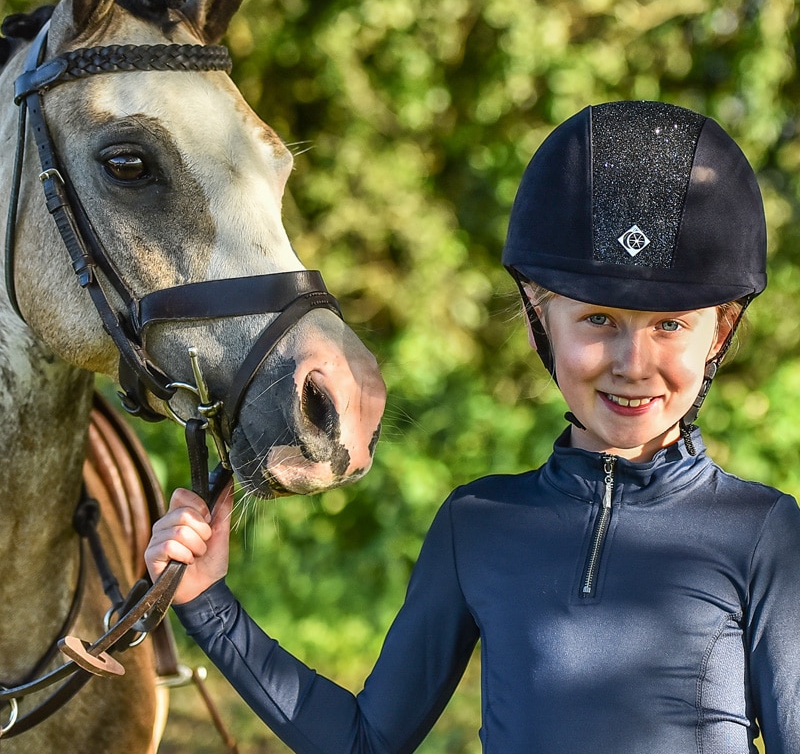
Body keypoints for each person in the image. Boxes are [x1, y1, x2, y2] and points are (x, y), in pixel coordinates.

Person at [145, 100, 800, 753]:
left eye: (670, 325)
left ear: (722, 331)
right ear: (541, 318)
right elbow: (365, 742)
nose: (634, 364)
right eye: (599, 319)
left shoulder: (763, 533)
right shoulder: (480, 523)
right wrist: (207, 602)